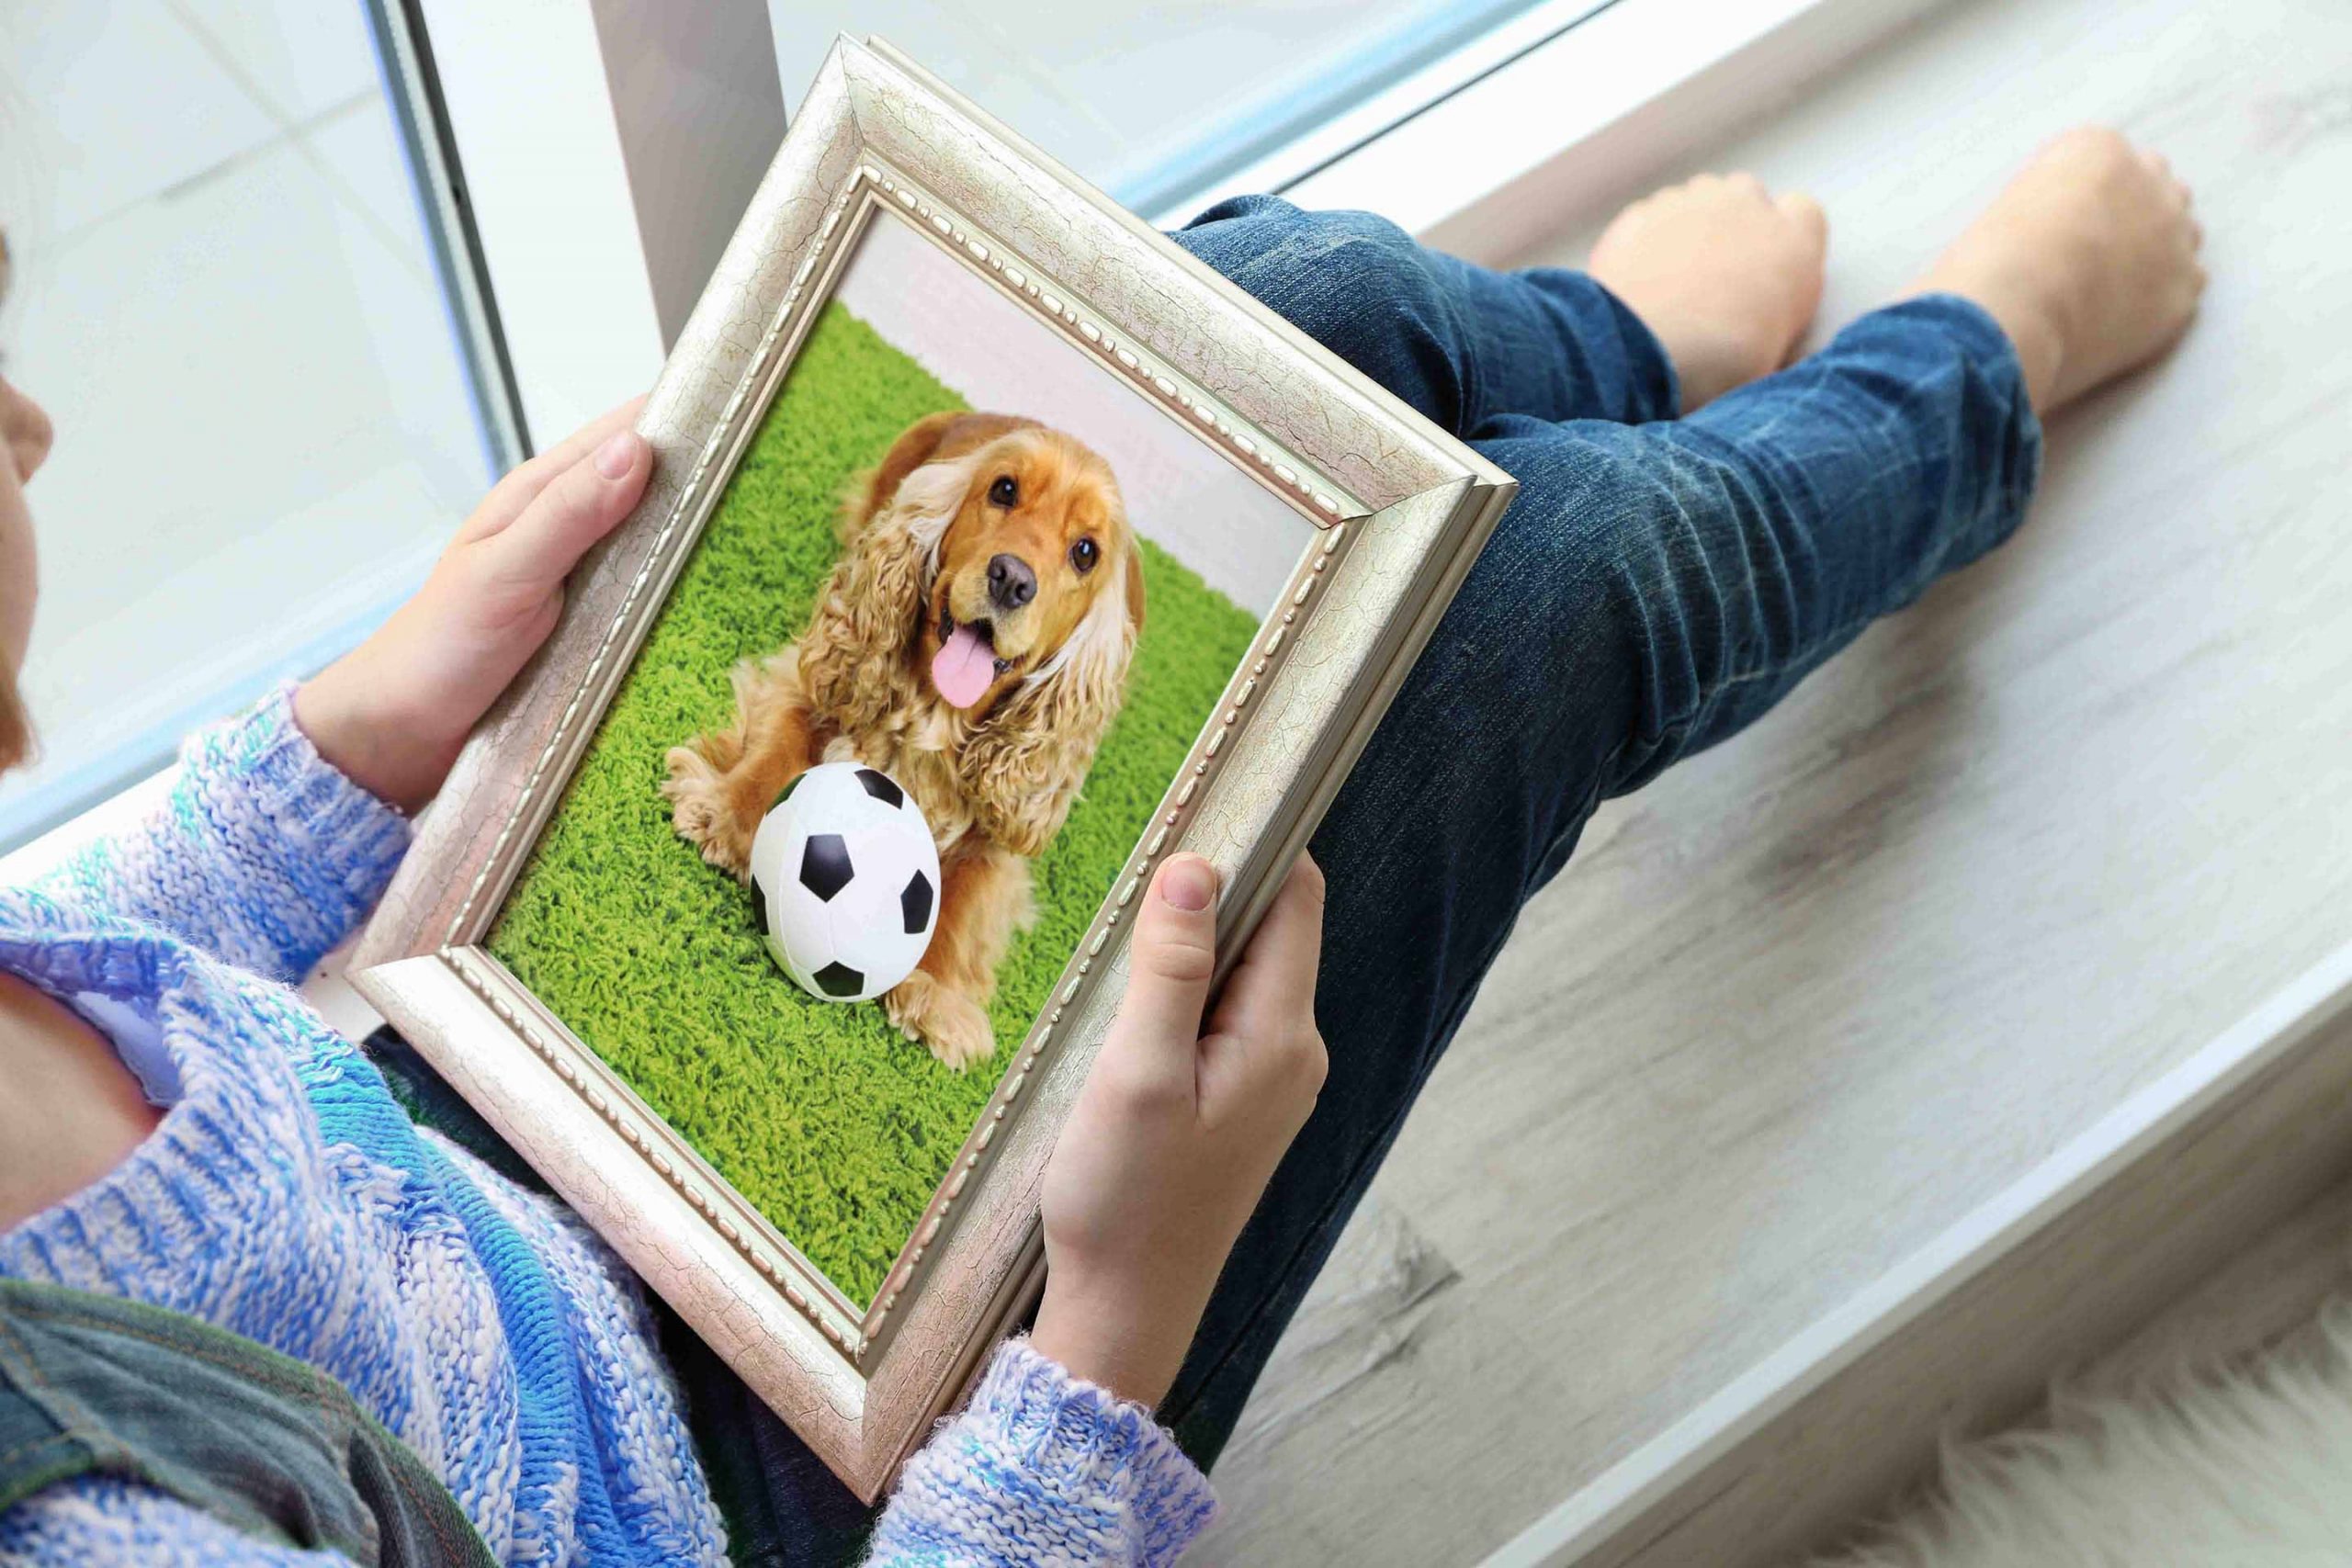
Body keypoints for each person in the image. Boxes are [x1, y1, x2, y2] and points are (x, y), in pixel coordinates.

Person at [0, 122, 2200, 1564]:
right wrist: (1110, 1326)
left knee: (1292, 303)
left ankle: (1618, 343)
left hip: (475, 1122)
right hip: (785, 1476)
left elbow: (87, 970)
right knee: (1557, 591)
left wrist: (354, 734)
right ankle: (1962, 385)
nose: (32, 412)